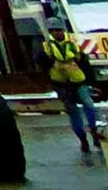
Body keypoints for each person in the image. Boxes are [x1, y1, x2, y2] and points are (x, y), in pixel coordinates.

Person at [39, 19, 102, 156]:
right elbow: (42, 65)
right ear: (50, 32)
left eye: (59, 30)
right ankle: (83, 140)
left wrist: (92, 83)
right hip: (62, 85)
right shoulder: (46, 48)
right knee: (73, 113)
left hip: (79, 81)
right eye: (54, 30)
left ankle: (95, 133)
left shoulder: (73, 44)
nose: (58, 32)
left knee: (89, 106)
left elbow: (84, 63)